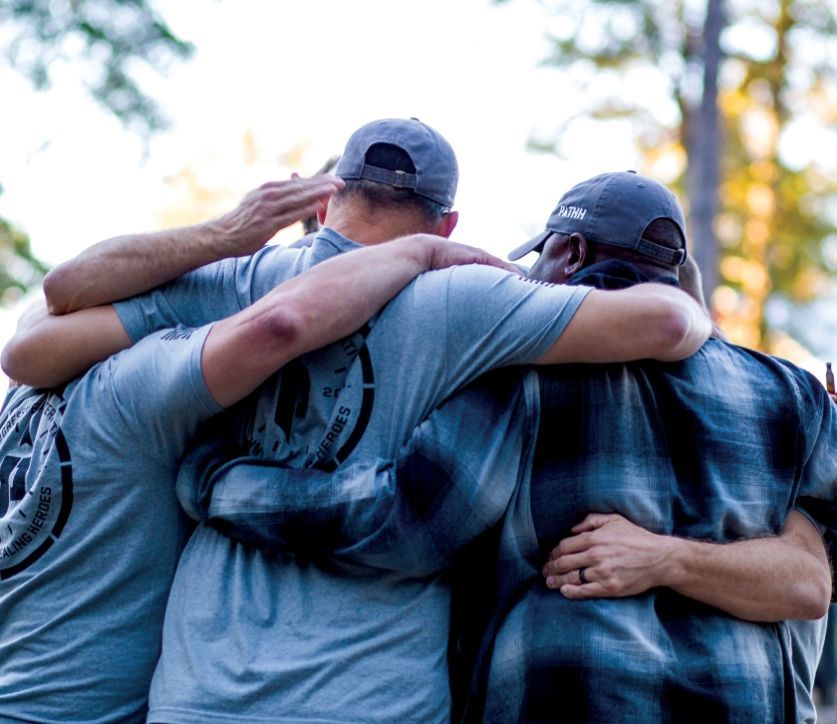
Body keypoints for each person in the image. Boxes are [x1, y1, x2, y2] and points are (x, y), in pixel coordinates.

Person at [7, 122, 711, 722]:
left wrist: (226, 235)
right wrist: (685, 284)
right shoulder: (466, 298)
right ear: (448, 224)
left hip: (202, 686)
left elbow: (40, 332)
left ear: (326, 201)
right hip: (376, 694)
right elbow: (662, 320)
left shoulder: (235, 284)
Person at [186, 172, 836, 722]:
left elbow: (405, 523)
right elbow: (813, 581)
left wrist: (225, 482)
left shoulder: (527, 373)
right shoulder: (789, 395)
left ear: (572, 252)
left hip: (573, 697)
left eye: (541, 257)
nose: (528, 277)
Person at [0, 175, 516, 722]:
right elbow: (277, 322)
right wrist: (418, 252)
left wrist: (226, 237)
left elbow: (52, 305)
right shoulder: (146, 383)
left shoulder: (24, 391)